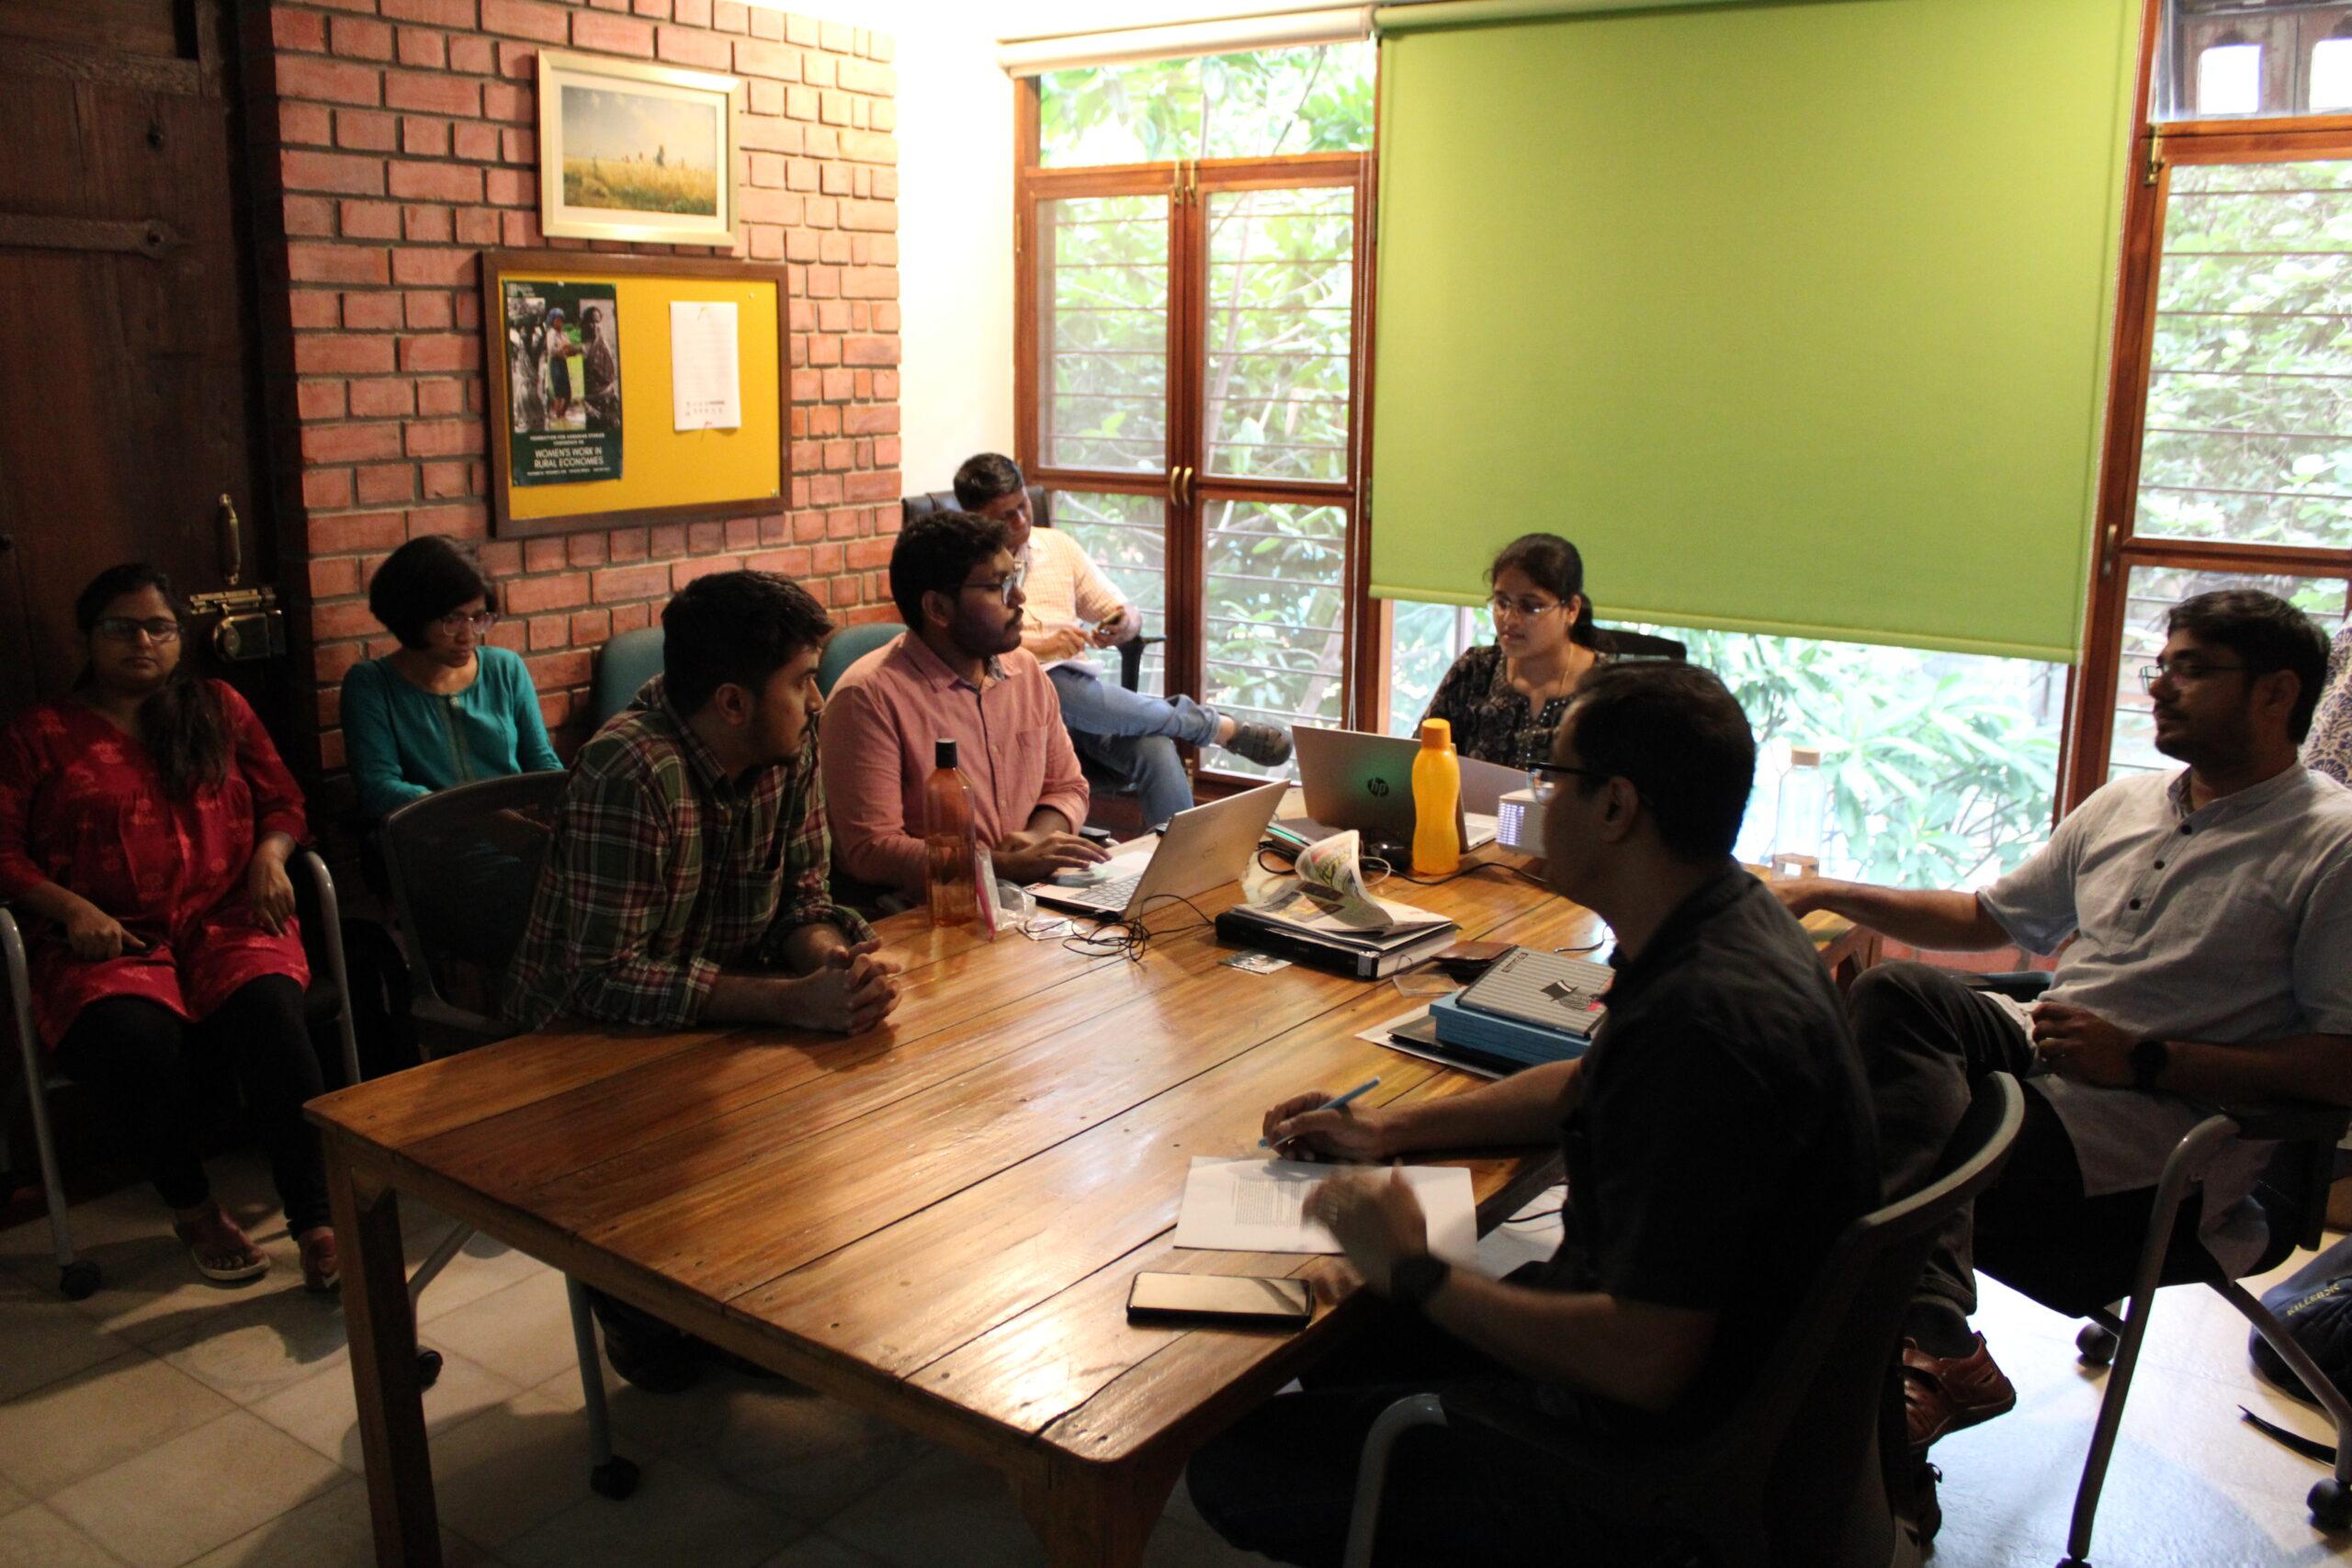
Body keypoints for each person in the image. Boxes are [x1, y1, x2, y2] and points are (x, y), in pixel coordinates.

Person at [1186, 662, 1880, 1567]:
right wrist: (1386, 1130)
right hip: (1715, 1389)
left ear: (1616, 807)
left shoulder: (1703, 1029)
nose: (1537, 800)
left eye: (1552, 779)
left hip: (1636, 1466)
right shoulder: (1725, 923)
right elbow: (1585, 1084)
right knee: (1344, 1330)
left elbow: (1644, 1359)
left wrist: (1420, 1273)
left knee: (1237, 1462)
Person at [1775, 588, 2352, 1459]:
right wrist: (1827, 890)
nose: (2161, 687)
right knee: (1894, 995)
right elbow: (1985, 917)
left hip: (2157, 1136)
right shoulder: (2126, 803)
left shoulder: (2331, 845)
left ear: (2277, 693)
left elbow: (2341, 1065)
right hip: (2047, 1057)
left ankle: (1871, 1358)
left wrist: (2149, 1059)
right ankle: (1931, 1337)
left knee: (1857, 1142)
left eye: (2193, 669)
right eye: (2162, 667)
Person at [0, 565, 338, 1291]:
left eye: (159, 627)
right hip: (105, 937)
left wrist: (271, 857)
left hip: (228, 918)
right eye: (121, 628)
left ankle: (317, 1219)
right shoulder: (41, 733)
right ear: (88, 638)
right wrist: (71, 908)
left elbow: (284, 800)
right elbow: (2, 851)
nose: (143, 643)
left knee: (273, 1015)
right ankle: (194, 1208)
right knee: (131, 1038)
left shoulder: (217, 706)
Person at [500, 569, 900, 1037]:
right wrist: (789, 1000)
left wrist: (836, 970)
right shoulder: (631, 772)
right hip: (574, 1043)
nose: (817, 701)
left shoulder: (788, 744)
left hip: (711, 1026)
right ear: (732, 704)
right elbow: (600, 979)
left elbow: (802, 902)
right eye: (802, 682)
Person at [952, 454, 1292, 826]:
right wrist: (1041, 648)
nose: (1021, 521)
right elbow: (966, 645)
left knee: (1156, 748)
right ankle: (1211, 727)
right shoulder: (964, 571)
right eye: (1005, 516)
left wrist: (1123, 624)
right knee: (1053, 683)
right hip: (1014, 703)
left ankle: (1181, 859)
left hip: (1083, 705)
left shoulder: (1058, 547)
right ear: (974, 519)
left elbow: (1122, 609)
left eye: (1023, 506)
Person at [822, 508, 1111, 900]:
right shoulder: (867, 698)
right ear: (938, 609)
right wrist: (995, 866)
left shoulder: (1025, 671)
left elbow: (1067, 787)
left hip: (1031, 895)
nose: (1019, 597)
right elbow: (871, 849)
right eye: (998, 585)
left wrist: (1035, 840)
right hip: (934, 908)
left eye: (1014, 577)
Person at [341, 536, 560, 824]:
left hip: (521, 837)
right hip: (429, 842)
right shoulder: (371, 685)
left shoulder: (504, 668)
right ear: (413, 616)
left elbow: (543, 764)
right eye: (452, 620)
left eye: (478, 618)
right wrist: (482, 819)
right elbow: (379, 789)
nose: (468, 636)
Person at [1422, 532, 1611, 767]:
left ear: (1571, 609)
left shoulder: (1608, 691)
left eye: (1530, 607)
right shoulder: (1475, 671)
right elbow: (1423, 758)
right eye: (1502, 603)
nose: (1509, 619)